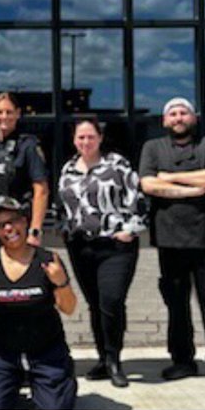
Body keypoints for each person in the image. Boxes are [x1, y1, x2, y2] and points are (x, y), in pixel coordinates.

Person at [138, 98, 205, 387]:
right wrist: (193, 190)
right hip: (169, 238)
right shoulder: (153, 148)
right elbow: (148, 184)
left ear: (193, 118)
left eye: (183, 112)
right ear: (164, 120)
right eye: (172, 113)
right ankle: (182, 361)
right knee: (176, 304)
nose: (178, 117)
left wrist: (172, 178)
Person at [57, 119, 148, 389]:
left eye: (90, 137)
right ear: (74, 140)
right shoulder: (68, 169)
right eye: (80, 137)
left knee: (112, 301)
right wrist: (65, 229)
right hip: (81, 247)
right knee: (95, 305)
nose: (86, 142)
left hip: (115, 247)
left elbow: (139, 200)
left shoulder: (117, 164)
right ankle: (102, 358)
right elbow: (64, 207)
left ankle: (115, 359)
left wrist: (129, 230)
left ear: (100, 137)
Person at [0, 196, 78, 410]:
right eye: (1, 225)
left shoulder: (47, 260)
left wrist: (61, 282)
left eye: (14, 220)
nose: (9, 228)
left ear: (25, 222)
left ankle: (60, 379)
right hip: (2, 353)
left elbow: (69, 308)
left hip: (46, 351)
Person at [0, 91, 49, 252]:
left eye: (9, 112)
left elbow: (41, 190)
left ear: (18, 114)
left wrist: (35, 230)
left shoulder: (28, 146)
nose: (4, 116)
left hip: (17, 229)